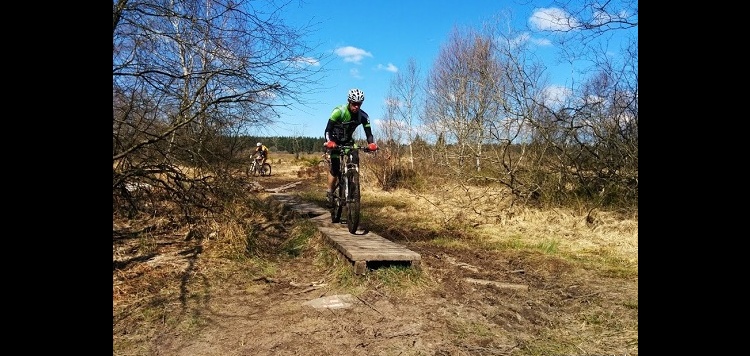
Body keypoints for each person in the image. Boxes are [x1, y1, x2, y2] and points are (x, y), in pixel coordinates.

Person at [323, 88, 378, 206]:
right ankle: (330, 192)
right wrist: (329, 142)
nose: (356, 107)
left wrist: (371, 144)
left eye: (359, 104)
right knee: (335, 168)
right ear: (349, 101)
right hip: (334, 141)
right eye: (354, 103)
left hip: (348, 142)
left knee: (355, 156)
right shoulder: (339, 111)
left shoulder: (363, 116)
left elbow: (369, 133)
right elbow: (328, 130)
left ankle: (352, 183)